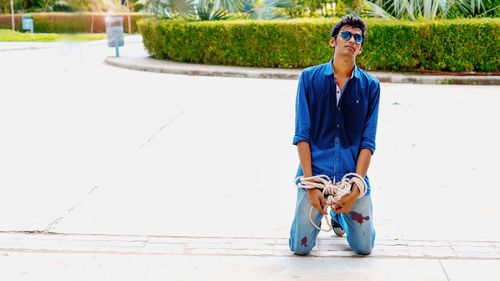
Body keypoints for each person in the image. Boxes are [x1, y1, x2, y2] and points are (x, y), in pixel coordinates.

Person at [289, 15, 380, 256]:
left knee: (364, 248)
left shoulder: (371, 87)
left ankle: (342, 219)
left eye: (357, 38)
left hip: (350, 178)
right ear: (333, 41)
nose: (352, 40)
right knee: (300, 247)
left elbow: (367, 142)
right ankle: (321, 216)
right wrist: (310, 186)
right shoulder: (309, 79)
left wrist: (355, 189)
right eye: (346, 35)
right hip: (315, 175)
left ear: (360, 47)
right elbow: (302, 135)